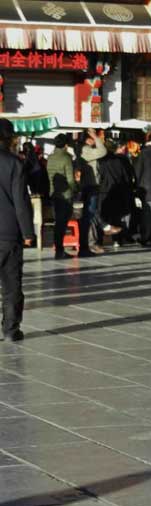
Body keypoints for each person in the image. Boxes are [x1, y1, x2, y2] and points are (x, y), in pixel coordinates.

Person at [0, 119, 34, 342]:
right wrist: (28, 232)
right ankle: (11, 329)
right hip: (8, 232)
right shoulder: (14, 163)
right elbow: (21, 202)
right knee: (12, 283)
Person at [98, 140, 137, 244]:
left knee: (104, 215)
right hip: (118, 191)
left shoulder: (100, 161)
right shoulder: (119, 161)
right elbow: (126, 177)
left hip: (104, 192)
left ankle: (100, 240)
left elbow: (99, 177)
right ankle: (117, 239)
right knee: (116, 216)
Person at [46, 134, 78, 259]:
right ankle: (60, 251)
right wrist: (76, 189)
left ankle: (58, 249)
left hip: (53, 193)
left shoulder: (50, 157)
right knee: (62, 223)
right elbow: (70, 179)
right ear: (66, 145)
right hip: (65, 195)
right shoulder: (66, 158)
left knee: (57, 223)